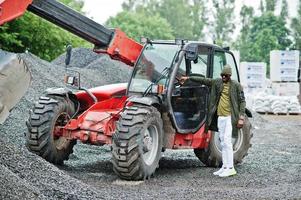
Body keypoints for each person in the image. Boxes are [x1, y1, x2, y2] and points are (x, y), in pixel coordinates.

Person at [180, 65, 246, 177]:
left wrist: (241, 117)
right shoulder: (217, 82)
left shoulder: (236, 86)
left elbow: (242, 101)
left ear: (230, 75)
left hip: (230, 117)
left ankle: (230, 168)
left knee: (227, 142)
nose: (224, 77)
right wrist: (189, 78)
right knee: (222, 141)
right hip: (220, 117)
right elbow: (204, 80)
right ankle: (224, 167)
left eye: (226, 75)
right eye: (222, 75)